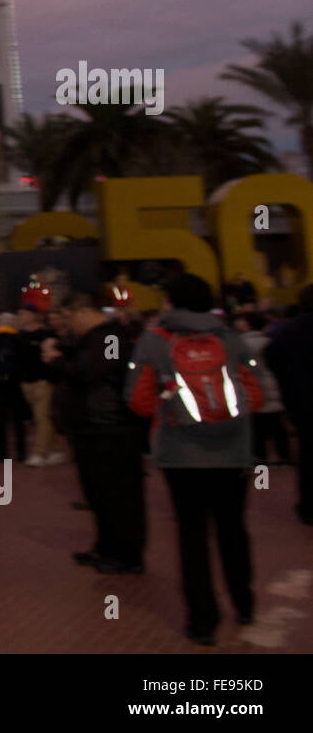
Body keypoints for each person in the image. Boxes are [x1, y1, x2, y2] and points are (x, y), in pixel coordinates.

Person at [126, 273, 264, 645]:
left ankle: (203, 621)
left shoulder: (154, 341)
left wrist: (171, 412)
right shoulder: (230, 337)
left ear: (171, 302)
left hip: (180, 454)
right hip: (233, 451)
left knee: (192, 535)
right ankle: (245, 603)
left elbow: (137, 401)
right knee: (233, 528)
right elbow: (258, 393)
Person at [42, 292, 144, 575]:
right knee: (98, 495)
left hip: (110, 429)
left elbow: (90, 372)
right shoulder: (92, 339)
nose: (70, 325)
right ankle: (106, 547)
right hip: (91, 428)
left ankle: (126, 554)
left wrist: (57, 361)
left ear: (84, 312)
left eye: (71, 318)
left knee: (117, 496)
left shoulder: (111, 338)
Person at [264, 283, 313, 524]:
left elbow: (271, 356)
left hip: (301, 402)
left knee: (307, 454)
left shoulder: (288, 331)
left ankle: (309, 506)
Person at [234, 312, 290, 465]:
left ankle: (260, 455)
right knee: (277, 423)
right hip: (273, 384)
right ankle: (283, 454)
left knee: (257, 424)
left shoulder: (242, 344)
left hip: (254, 387)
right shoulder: (270, 340)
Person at [18, 306, 62, 466]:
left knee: (41, 417)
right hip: (26, 382)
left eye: (23, 313)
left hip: (43, 382)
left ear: (33, 315)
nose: (21, 316)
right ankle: (57, 449)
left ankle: (39, 452)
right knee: (43, 418)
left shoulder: (46, 335)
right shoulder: (20, 335)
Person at [0, 312, 26, 462]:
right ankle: (21, 452)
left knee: (0, 423)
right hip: (15, 385)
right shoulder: (19, 339)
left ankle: (2, 454)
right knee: (18, 421)